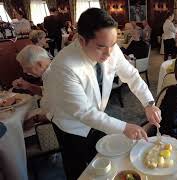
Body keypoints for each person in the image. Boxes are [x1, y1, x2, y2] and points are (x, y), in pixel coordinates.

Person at [43, 8, 161, 179]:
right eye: (101, 47)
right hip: (69, 123)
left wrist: (149, 104)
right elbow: (83, 112)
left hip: (97, 114)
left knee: (101, 158)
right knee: (76, 167)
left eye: (113, 45)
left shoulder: (110, 49)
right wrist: (124, 127)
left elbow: (132, 76)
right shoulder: (64, 67)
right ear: (82, 40)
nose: (109, 53)